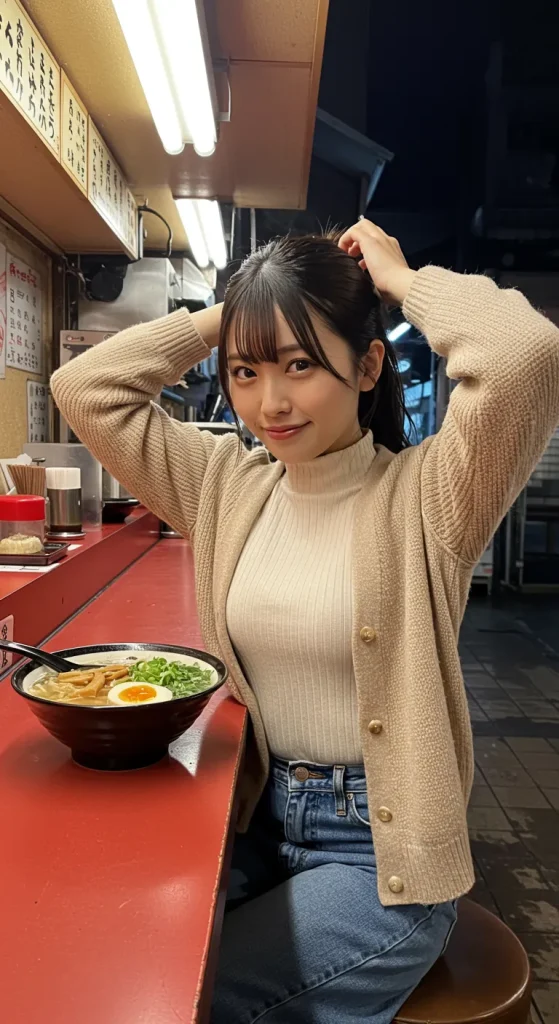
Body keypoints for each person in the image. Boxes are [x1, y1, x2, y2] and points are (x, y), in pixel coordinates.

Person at [51, 221, 559, 1024]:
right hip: (252, 818)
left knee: (191, 999)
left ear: (366, 364)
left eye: (298, 365)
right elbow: (88, 389)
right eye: (245, 373)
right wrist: (240, 310)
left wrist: (400, 279)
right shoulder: (225, 483)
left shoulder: (432, 497)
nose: (269, 403)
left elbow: (525, 354)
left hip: (379, 862)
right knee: (116, 959)